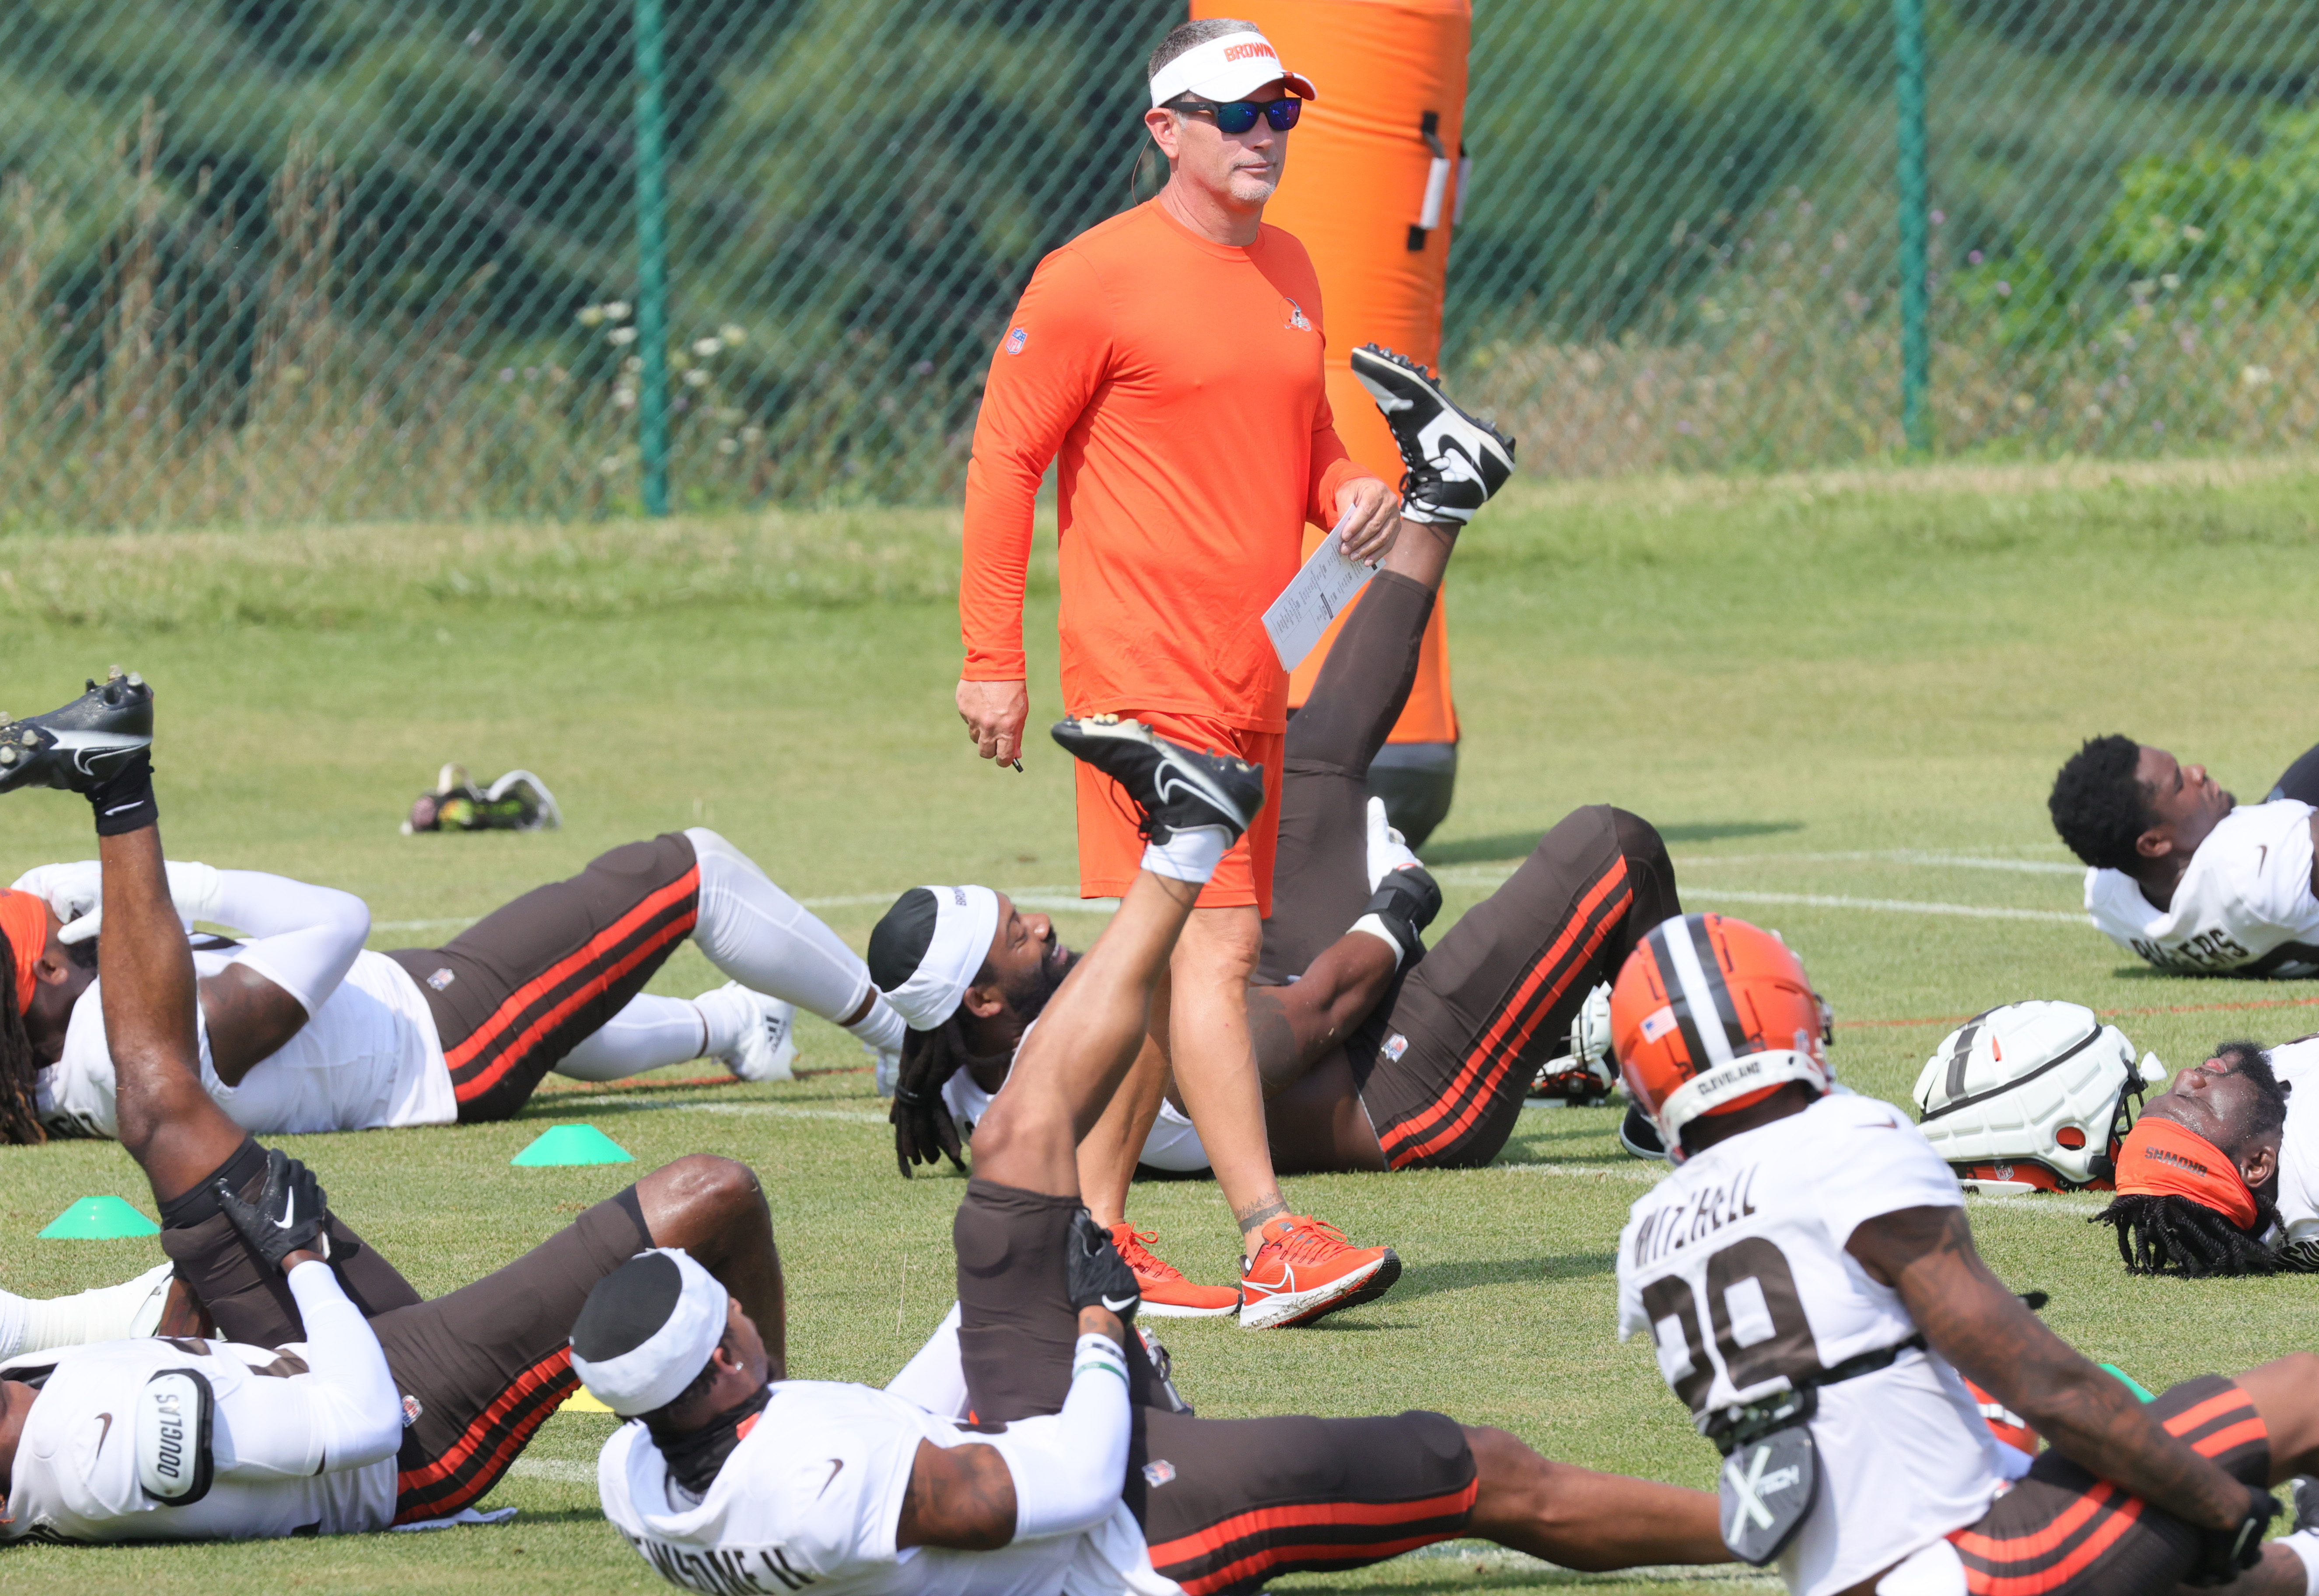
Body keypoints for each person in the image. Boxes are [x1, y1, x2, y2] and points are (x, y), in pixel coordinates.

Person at [581, 710, 1737, 1594]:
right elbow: (1072, 1485)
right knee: (1475, 1469)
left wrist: (1027, 1286)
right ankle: (1765, 1528)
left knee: (1010, 1187)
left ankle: (1190, 833)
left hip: (1004, 1429)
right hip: (1120, 1538)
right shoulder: (817, 1490)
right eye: (726, 1315)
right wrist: (1091, 1330)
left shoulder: (637, 1476)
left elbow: (885, 1427)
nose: (745, 1315)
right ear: (722, 1369)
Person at [882, 360, 1675, 1318]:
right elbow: (1308, 1018)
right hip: (1397, 1095)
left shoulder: (996, 1055)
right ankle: (1680, 1088)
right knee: (1614, 845)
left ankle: (1444, 496)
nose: (1044, 925)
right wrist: (1398, 907)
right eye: (1019, 937)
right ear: (982, 1001)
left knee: (1299, 766)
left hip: (1313, 1004)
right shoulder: (1073, 1059)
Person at [0, 672, 788, 1542]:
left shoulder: (39, 1411)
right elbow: (358, 1417)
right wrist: (298, 1259)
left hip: (282, 1360)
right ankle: (766, 1456)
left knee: (162, 1111)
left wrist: (211, 1262)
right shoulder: (99, 1453)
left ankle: (117, 783)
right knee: (715, 1193)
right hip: (407, 1433)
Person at [956, 14, 1466, 1318]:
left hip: (1256, 678)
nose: (1265, 139)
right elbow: (1006, 460)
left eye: (1281, 113)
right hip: (1144, 679)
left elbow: (1307, 445)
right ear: (1165, 129)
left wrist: (1354, 491)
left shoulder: (1289, 262)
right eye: (1237, 115)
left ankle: (1097, 1232)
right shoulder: (1090, 278)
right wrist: (991, 658)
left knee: (1157, 949)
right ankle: (1268, 1235)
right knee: (1218, 947)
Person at [1609, 909, 2319, 1595]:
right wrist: (2216, 1501)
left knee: (2067, 1479)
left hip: (1847, 1572)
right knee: (2310, 1394)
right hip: (1972, 1564)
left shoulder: (1646, 1232)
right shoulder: (1844, 1143)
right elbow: (2043, 1381)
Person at [3, 829, 904, 1144]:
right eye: (52, 950)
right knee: (688, 869)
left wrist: (69, 884)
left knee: (564, 1007)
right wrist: (156, 880)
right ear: (44, 976)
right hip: (446, 1035)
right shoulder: (132, 1036)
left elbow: (44, 924)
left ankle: (735, 1026)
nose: (74, 941)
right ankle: (902, 1033)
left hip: (416, 1025)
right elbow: (335, 919)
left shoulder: (53, 1064)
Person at [2048, 685, 2319, 976]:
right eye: (2179, 784)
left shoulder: (2112, 903)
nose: (2197, 771)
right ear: (2154, 844)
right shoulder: (2252, 872)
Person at [2091, 1024, 2319, 1276]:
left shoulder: (2258, 1099)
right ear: (2257, 1165)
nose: (2187, 1075)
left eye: (2171, 1091)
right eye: (2194, 1101)